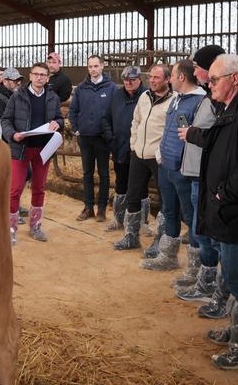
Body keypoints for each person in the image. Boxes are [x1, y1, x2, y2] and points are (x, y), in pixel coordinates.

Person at [181, 54, 238, 370]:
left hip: (237, 212)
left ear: (234, 79)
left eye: (214, 79)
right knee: (231, 273)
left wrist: (223, 192)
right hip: (226, 209)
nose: (208, 83)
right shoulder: (231, 109)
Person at [141, 59, 205, 271]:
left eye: (173, 74)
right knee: (168, 210)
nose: (170, 80)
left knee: (190, 215)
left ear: (181, 77)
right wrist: (161, 149)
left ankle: (196, 266)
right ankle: (168, 256)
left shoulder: (200, 101)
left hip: (184, 169)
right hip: (166, 164)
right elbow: (170, 128)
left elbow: (197, 137)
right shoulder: (177, 99)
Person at [175, 45, 224, 305]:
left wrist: (192, 134)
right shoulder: (210, 96)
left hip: (206, 175)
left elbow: (221, 138)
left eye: (198, 66)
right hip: (197, 172)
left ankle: (212, 286)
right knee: (199, 227)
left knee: (206, 231)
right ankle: (205, 280)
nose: (194, 70)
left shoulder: (218, 101)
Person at [1, 62, 63, 245]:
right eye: (36, 74)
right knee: (15, 189)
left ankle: (36, 226)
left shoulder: (52, 97)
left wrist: (58, 123)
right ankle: (11, 229)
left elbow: (59, 117)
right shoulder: (17, 96)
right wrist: (13, 134)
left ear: (47, 78)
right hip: (21, 148)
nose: (39, 78)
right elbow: (5, 120)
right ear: (30, 76)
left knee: (39, 188)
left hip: (43, 149)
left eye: (43, 75)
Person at [113, 64, 174, 251]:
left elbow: (174, 130)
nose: (152, 81)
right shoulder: (144, 97)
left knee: (165, 198)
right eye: (151, 77)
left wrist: (162, 152)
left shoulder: (174, 100)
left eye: (157, 78)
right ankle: (131, 236)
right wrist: (134, 144)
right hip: (138, 154)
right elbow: (136, 120)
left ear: (167, 80)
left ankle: (160, 242)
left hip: (159, 158)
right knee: (133, 194)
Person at [68, 54, 116, 222]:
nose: (93, 69)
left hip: (102, 138)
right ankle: (88, 207)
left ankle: (102, 208)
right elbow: (73, 110)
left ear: (102, 66)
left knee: (103, 174)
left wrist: (110, 134)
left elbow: (114, 112)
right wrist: (76, 129)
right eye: (90, 66)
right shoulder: (81, 88)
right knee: (87, 173)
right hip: (86, 138)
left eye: (96, 66)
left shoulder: (111, 88)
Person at [102, 66, 146, 231]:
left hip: (139, 149)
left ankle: (141, 223)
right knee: (120, 183)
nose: (128, 82)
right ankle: (118, 219)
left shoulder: (146, 95)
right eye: (126, 80)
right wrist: (110, 137)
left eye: (132, 80)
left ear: (139, 79)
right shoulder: (117, 95)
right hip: (119, 147)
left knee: (139, 186)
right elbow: (106, 118)